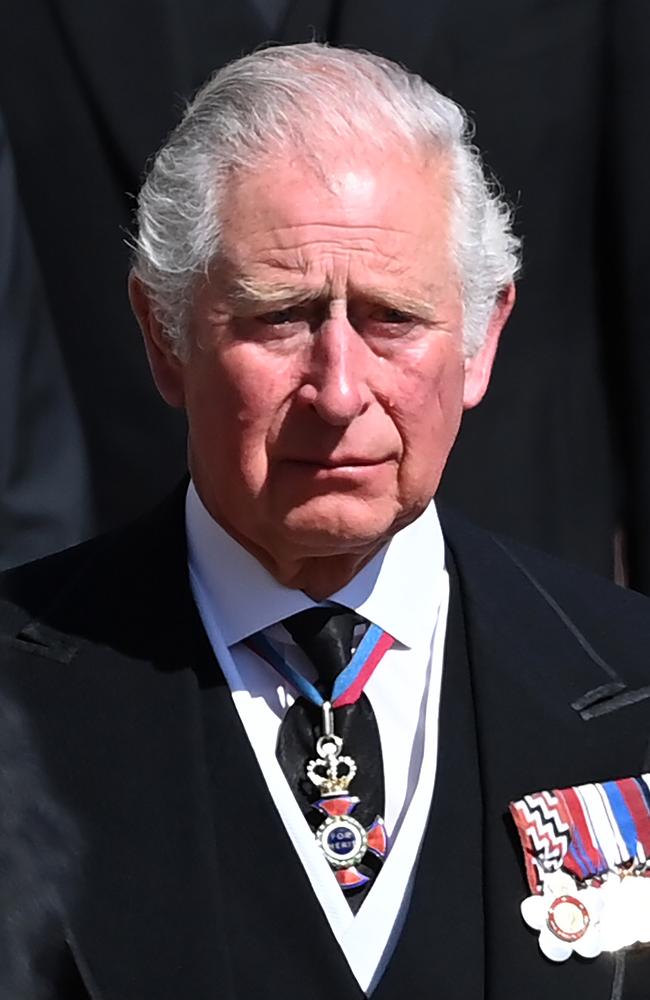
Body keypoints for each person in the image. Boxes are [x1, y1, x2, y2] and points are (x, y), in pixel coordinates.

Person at [1, 44, 650, 999]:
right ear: (164, 336)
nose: (339, 392)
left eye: (393, 317)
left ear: (482, 340)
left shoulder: (630, 680)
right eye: (280, 317)